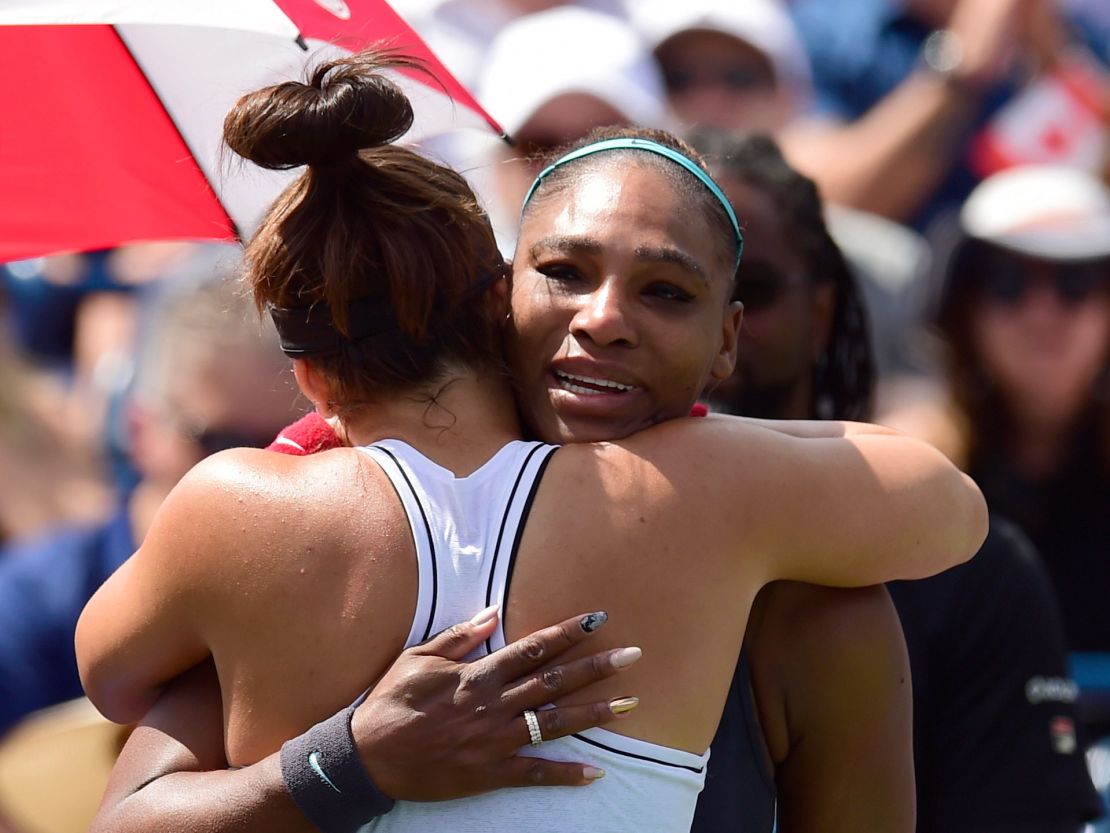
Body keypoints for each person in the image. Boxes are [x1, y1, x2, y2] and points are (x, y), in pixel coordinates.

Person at [75, 51, 986, 832]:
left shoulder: (234, 513)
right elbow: (946, 506)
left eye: (665, 291)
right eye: (564, 272)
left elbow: (109, 678)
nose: (605, 320)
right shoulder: (724, 486)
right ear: (497, 302)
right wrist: (350, 760)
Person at [697, 131, 1103, 833]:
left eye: (748, 290)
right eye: (1007, 281)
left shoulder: (971, 561)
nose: (1044, 312)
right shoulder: (532, 526)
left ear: (822, 312)